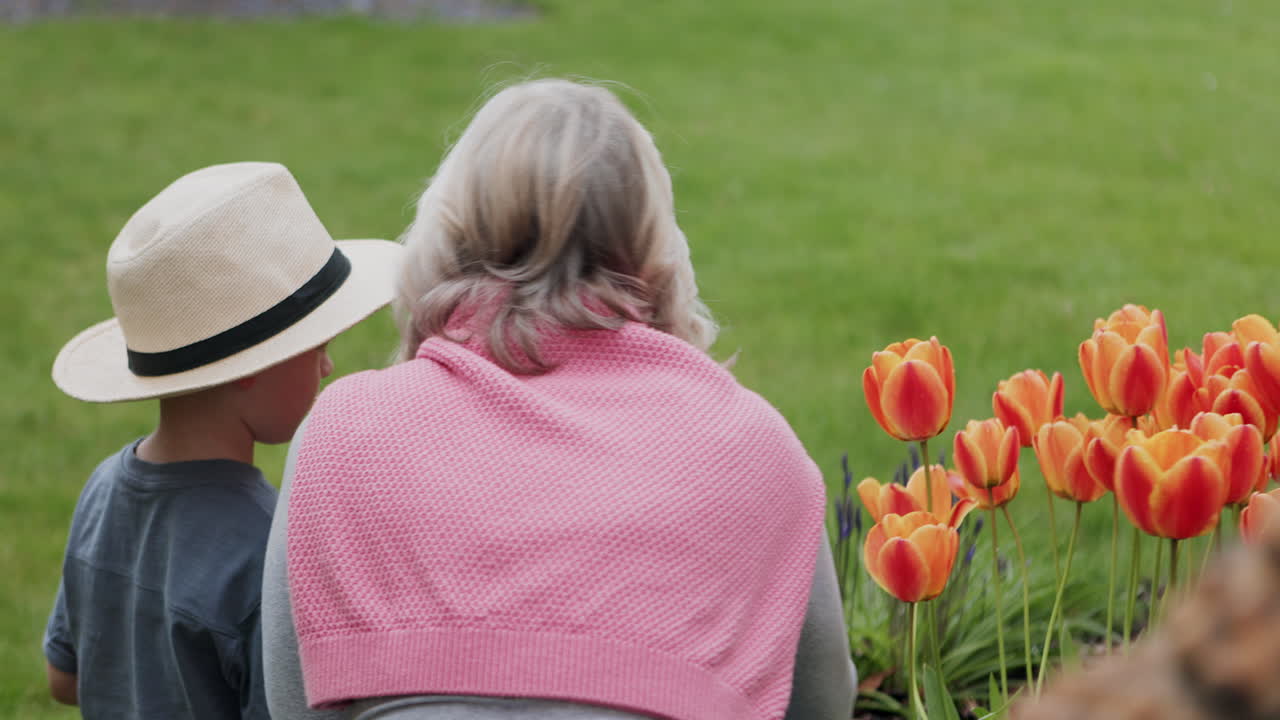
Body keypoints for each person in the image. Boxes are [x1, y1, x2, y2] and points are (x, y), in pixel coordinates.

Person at [262, 78, 856, 720]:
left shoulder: (347, 428)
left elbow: (295, 704)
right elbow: (822, 702)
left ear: (452, 225)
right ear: (651, 239)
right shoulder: (751, 446)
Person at [42, 161, 402, 719]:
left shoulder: (102, 488)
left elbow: (65, 677)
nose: (328, 366)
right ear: (251, 367)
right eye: (315, 348)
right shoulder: (266, 547)